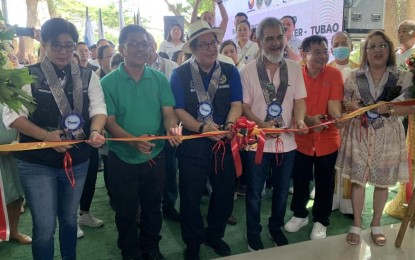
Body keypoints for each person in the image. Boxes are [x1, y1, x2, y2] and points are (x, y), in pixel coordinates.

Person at [2, 17, 107, 260]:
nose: (63, 51)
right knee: (45, 226)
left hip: (78, 160)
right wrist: (47, 136)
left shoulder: (88, 75)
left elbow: (98, 110)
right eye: (56, 45)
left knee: (70, 220)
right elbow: (13, 117)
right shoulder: (27, 74)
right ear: (45, 45)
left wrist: (95, 131)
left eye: (69, 45)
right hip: (36, 162)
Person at [101, 24, 181, 260]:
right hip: (121, 158)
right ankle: (130, 251)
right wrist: (133, 141)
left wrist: (172, 129)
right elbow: (109, 122)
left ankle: (151, 249)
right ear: (122, 49)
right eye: (133, 44)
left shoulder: (158, 79)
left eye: (144, 44)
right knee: (125, 211)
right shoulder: (108, 83)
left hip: (155, 157)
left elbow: (168, 113)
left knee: (152, 207)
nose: (140, 48)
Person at [170, 20, 243, 259]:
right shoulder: (179, 74)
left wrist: (231, 124)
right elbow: (178, 110)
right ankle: (192, 243)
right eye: (204, 45)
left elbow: (236, 104)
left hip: (223, 141)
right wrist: (203, 127)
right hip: (194, 143)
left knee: (223, 193)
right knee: (190, 197)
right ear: (192, 48)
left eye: (213, 43)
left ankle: (215, 235)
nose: (211, 49)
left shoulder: (230, 71)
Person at [336, 30, 415, 246]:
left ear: (389, 49)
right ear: (365, 51)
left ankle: (377, 224)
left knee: (382, 181)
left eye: (382, 46)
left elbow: (411, 107)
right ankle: (357, 224)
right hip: (360, 132)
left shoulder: (402, 76)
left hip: (388, 134)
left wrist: (388, 109)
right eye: (372, 46)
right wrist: (353, 106)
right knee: (358, 180)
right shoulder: (355, 76)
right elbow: (345, 102)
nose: (377, 50)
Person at [240, 17, 307, 251]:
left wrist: (299, 120)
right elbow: (245, 106)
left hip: (287, 143)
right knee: (255, 192)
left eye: (280, 36)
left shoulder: (295, 68)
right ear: (259, 41)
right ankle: (253, 232)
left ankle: (275, 227)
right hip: (256, 144)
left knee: (280, 191)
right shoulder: (247, 71)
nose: (276, 43)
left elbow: (299, 101)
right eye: (269, 38)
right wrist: (261, 124)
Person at [284, 35, 344, 241]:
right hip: (300, 140)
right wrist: (307, 120)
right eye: (317, 51)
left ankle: (321, 220)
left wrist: (338, 117)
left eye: (324, 51)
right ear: (303, 54)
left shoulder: (334, 74)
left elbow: (335, 104)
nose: (323, 55)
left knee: (325, 182)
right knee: (300, 180)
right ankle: (300, 214)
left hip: (328, 139)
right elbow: (289, 108)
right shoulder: (294, 77)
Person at [146, 33, 180, 222]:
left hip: (168, 127)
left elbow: (173, 103)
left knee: (170, 168)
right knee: (146, 172)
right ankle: (148, 207)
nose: (146, 48)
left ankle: (169, 205)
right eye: (142, 44)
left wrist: (171, 126)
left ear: (155, 44)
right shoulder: (135, 68)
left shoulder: (171, 67)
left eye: (149, 43)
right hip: (143, 130)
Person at [328, 31, 359, 216]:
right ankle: (330, 201)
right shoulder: (327, 70)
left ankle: (348, 205)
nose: (340, 48)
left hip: (354, 125)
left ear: (352, 46)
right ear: (331, 49)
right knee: (331, 163)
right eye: (336, 44)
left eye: (344, 44)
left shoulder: (360, 70)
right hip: (332, 125)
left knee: (350, 162)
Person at [0, 104, 31, 245]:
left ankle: (13, 231)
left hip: (14, 152)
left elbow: (20, 118)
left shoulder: (10, 93)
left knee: (17, 193)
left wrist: (17, 141)